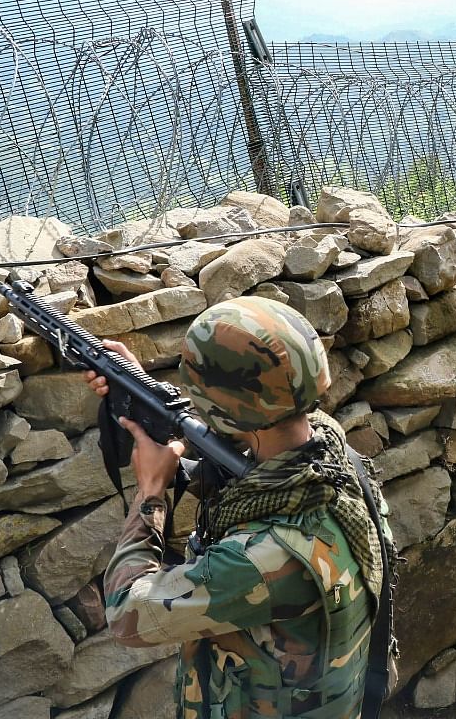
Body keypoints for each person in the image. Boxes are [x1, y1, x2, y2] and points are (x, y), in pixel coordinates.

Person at [86, 296, 395, 719]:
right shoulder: (330, 455)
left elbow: (127, 613)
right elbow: (236, 450)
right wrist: (139, 387)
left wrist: (150, 491)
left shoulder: (266, 559)